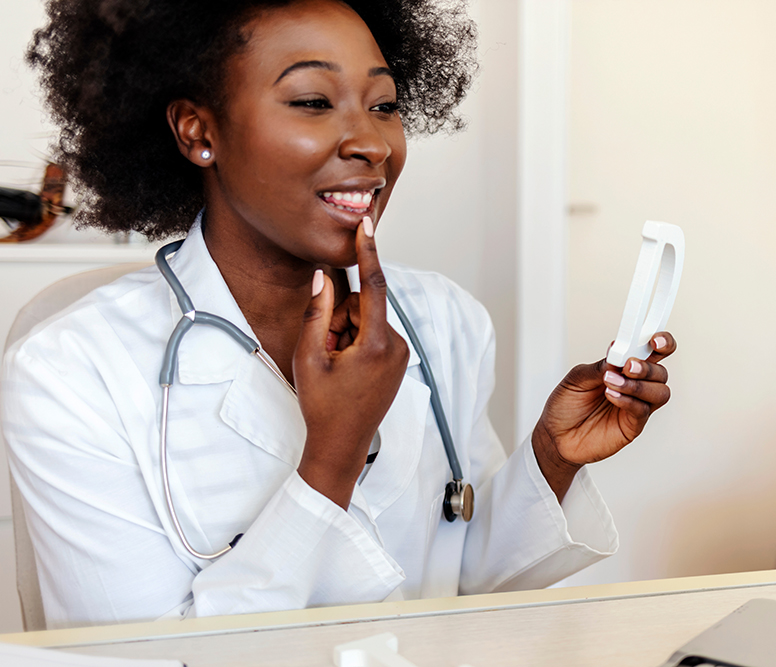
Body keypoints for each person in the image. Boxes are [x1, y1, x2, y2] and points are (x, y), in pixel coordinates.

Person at [2, 0, 676, 629]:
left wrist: (552, 458)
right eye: (313, 102)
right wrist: (333, 456)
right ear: (198, 131)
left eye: (384, 106)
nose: (372, 143)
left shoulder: (445, 321)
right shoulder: (70, 370)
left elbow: (461, 582)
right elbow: (138, 656)